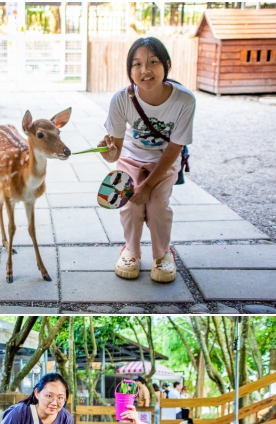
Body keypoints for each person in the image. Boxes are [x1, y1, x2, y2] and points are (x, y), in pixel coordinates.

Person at [97, 37, 195, 283]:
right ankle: (131, 250)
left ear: (166, 65)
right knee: (131, 205)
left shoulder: (184, 100)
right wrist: (105, 152)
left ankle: (163, 255)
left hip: (164, 160)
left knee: (156, 207)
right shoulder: (121, 100)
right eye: (137, 64)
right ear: (129, 70)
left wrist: (148, 185)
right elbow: (115, 154)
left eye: (153, 62)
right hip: (130, 158)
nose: (145, 70)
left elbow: (175, 147)